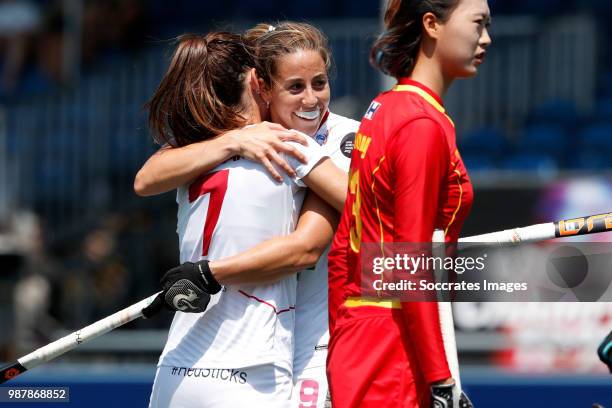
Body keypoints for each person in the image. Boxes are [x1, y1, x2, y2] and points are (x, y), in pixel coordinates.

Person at [137, 22, 359, 408]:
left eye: (319, 83)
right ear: (262, 86)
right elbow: (363, 212)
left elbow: (145, 180)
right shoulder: (285, 143)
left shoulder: (199, 144)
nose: (310, 99)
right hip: (254, 367)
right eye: (294, 86)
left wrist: (208, 272)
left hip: (184, 366)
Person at [326, 0, 491, 407]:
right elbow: (409, 261)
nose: (486, 38)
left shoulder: (387, 108)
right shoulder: (421, 124)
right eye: (478, 24)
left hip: (367, 336)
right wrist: (440, 379)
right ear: (432, 24)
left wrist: (344, 340)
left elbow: (341, 253)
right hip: (392, 345)